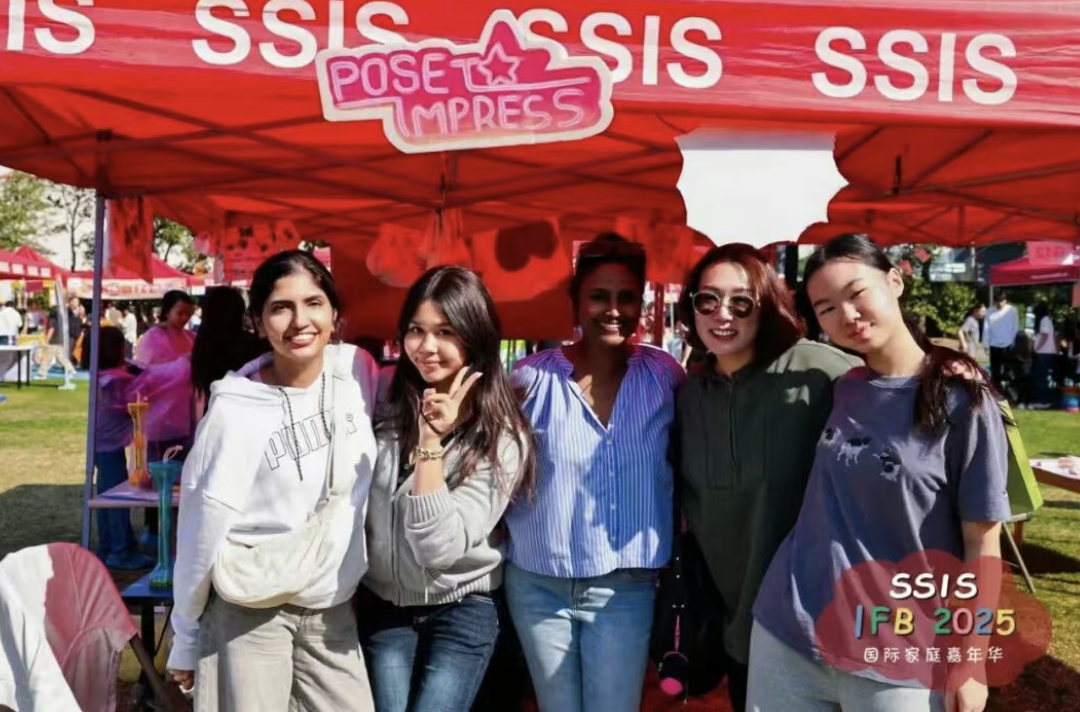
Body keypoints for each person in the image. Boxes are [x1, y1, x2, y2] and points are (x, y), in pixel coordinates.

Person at [749, 234, 1011, 712]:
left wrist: (972, 659)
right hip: (790, 631)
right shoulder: (845, 386)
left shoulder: (963, 401)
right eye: (827, 308)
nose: (847, 315)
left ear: (895, 281)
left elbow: (983, 542)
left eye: (856, 293)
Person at [167, 250, 379, 711]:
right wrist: (185, 636)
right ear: (259, 322)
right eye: (281, 308)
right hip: (249, 611)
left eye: (313, 303)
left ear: (335, 313)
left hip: (331, 611)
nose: (300, 321)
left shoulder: (357, 372)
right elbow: (200, 529)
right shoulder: (234, 409)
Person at [672, 244, 862, 711]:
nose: (723, 314)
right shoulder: (688, 394)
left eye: (741, 302)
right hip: (742, 632)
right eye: (708, 300)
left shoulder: (822, 372)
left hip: (830, 625)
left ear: (767, 305)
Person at [503, 233, 684, 712]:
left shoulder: (664, 376)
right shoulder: (530, 379)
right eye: (599, 296)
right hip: (537, 584)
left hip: (624, 587)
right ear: (576, 303)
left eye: (627, 297)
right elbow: (495, 471)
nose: (614, 309)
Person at [357, 266, 534, 712]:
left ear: (475, 336)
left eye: (446, 331)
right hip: (383, 604)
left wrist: (431, 446)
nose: (426, 346)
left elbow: (439, 548)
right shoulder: (382, 400)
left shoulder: (502, 434)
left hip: (463, 605)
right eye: (416, 330)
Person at [93, 326, 155, 570]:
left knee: (105, 496)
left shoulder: (101, 375)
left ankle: (109, 546)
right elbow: (135, 400)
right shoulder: (117, 379)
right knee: (116, 499)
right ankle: (120, 551)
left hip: (101, 443)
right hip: (111, 445)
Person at [133, 290, 195, 367]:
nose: (185, 317)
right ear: (167, 312)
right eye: (180, 313)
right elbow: (144, 368)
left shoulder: (191, 337)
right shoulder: (153, 337)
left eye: (188, 314)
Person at [37, 296, 80, 386]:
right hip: (60, 338)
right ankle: (70, 369)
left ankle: (42, 374)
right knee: (59, 356)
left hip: (54, 339)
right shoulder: (61, 316)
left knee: (48, 356)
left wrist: (46, 340)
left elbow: (51, 329)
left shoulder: (53, 318)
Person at [982, 291, 1018, 390]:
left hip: (1008, 345)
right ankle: (997, 391)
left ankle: (1010, 391)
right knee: (995, 371)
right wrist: (985, 344)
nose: (1000, 303)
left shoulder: (1012, 310)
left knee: (1008, 370)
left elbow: (1015, 327)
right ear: (995, 301)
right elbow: (986, 328)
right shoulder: (990, 311)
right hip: (994, 345)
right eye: (998, 301)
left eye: (1002, 301)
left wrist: (1014, 342)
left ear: (1006, 301)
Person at [1031, 303, 1058, 409]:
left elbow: (1045, 335)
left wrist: (1037, 348)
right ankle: (1044, 400)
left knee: (1040, 377)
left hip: (1043, 353)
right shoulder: (1047, 320)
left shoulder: (1044, 320)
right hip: (1047, 353)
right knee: (1042, 377)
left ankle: (1042, 401)